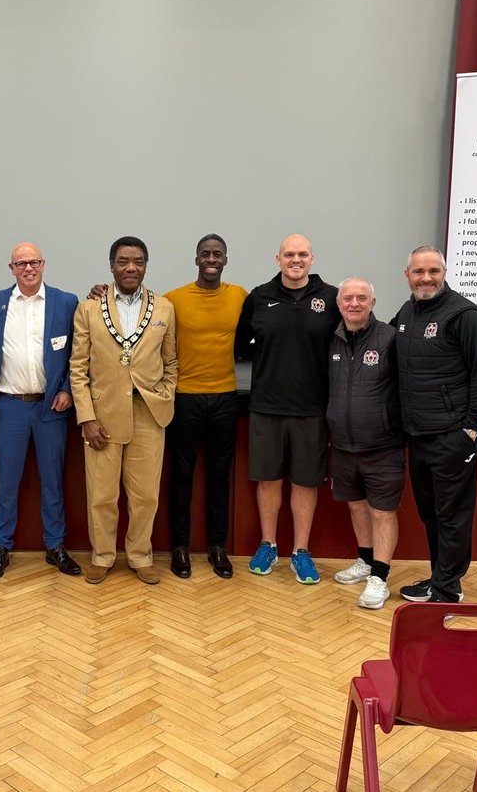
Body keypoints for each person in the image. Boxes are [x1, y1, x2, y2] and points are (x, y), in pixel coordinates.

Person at [70, 236, 178, 585]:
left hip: (149, 413)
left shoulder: (163, 308)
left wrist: (165, 393)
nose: (131, 267)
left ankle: (140, 555)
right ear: (111, 265)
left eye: (138, 261)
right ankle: (102, 556)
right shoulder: (90, 307)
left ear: (146, 265)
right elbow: (78, 368)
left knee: (145, 495)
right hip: (102, 416)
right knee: (102, 495)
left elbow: (171, 361)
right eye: (123, 261)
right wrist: (86, 416)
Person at [393, 246, 477, 604]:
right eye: (419, 272)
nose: (426, 278)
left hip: (453, 436)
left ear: (445, 272)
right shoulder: (407, 312)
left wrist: (470, 430)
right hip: (418, 436)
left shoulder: (465, 316)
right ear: (407, 275)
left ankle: (448, 590)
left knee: (452, 515)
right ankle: (439, 577)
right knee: (431, 513)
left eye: (433, 271)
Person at [234, 234, 339, 584]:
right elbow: (241, 346)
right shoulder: (259, 297)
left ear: (313, 259)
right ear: (277, 259)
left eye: (303, 254)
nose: (297, 260)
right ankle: (269, 544)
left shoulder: (331, 298)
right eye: (289, 254)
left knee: (305, 482)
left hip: (312, 409)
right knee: (268, 479)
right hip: (266, 406)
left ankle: (301, 551)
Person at [0, 243, 82, 580]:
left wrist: (67, 388)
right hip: (10, 405)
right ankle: (1, 547)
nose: (28, 268)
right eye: (21, 263)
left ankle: (55, 545)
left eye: (34, 262)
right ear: (11, 268)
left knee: (53, 481)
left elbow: (79, 351)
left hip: (52, 405)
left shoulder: (66, 302)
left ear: (43, 264)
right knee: (6, 481)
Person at [163, 234, 247, 579]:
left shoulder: (240, 296)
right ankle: (179, 548)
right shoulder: (173, 299)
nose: (211, 259)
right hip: (185, 398)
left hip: (226, 397)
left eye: (218, 254)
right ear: (196, 259)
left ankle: (217, 547)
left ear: (225, 259)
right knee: (181, 475)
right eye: (205, 254)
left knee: (219, 475)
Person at [326, 278, 403, 609]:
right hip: (343, 445)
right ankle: (366, 561)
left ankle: (380, 577)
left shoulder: (389, 338)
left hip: (382, 445)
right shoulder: (331, 339)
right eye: (347, 298)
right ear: (339, 303)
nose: (353, 303)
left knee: (382, 511)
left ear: (372, 302)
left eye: (361, 298)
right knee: (356, 505)